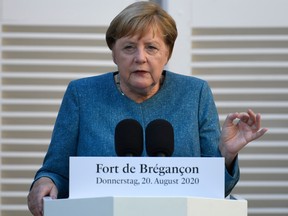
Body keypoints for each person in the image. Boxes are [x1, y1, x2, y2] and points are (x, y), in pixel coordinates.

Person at [27, 1, 268, 215]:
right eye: (129, 47)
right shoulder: (82, 94)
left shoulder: (195, 94)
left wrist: (226, 154)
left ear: (168, 53)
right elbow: (56, 170)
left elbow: (215, 190)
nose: (140, 57)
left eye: (151, 47)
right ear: (114, 53)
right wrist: (45, 181)